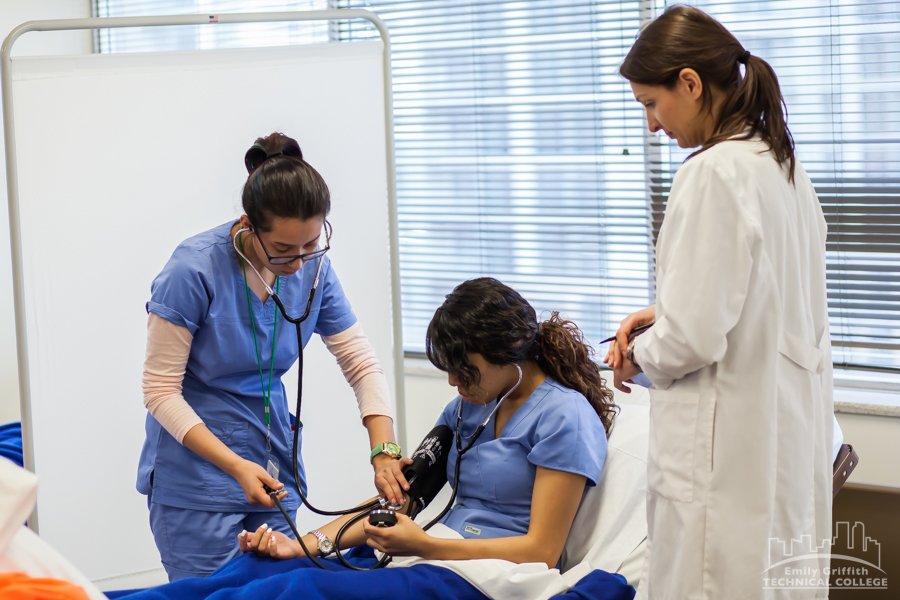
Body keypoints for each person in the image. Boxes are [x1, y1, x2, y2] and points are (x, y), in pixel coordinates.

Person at [606, 6, 833, 599]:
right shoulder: (784, 170)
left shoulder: (712, 172)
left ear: (690, 82)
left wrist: (640, 355)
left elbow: (693, 340)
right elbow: (768, 302)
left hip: (721, 463)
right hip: (774, 450)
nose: (652, 125)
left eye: (651, 103)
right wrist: (666, 313)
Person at [136, 132, 407, 581]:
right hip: (196, 478)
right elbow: (159, 390)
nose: (298, 264)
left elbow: (359, 360)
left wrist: (384, 449)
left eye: (310, 245)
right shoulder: (192, 271)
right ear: (248, 226)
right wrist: (235, 465)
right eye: (283, 250)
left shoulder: (315, 268)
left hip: (274, 468)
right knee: (210, 596)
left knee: (277, 591)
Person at [243, 277, 615, 567]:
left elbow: (542, 551)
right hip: (437, 556)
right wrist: (302, 546)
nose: (454, 382)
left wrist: (426, 545)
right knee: (266, 576)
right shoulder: (465, 408)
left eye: (464, 370)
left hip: (495, 575)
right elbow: (401, 502)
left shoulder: (566, 417)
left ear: (505, 353)